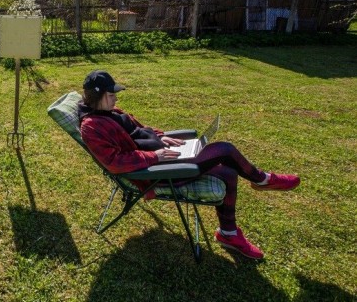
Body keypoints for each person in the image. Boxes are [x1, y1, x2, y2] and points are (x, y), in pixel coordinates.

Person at [78, 70, 300, 260]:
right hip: (155, 173)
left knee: (228, 172)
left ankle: (228, 233)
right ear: (96, 97)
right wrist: (155, 157)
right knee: (224, 150)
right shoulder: (92, 127)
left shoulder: (110, 112)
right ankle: (263, 179)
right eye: (111, 94)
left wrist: (161, 137)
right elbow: (114, 163)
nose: (116, 98)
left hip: (162, 158)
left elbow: (137, 131)